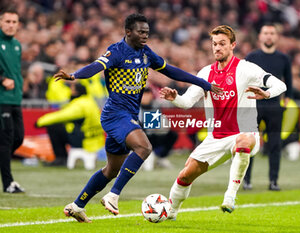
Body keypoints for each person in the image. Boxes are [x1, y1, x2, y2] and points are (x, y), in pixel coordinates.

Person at [54, 13, 222, 223]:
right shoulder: (116, 51)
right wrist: (74, 75)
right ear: (128, 32)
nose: (145, 36)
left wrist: (202, 83)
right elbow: (97, 66)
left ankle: (77, 206)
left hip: (128, 115)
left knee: (111, 170)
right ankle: (113, 196)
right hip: (115, 114)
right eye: (141, 32)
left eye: (147, 32)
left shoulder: (145, 53)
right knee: (144, 148)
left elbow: (170, 70)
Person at [159, 25, 286, 219]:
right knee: (185, 175)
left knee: (243, 141)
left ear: (233, 45)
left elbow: (280, 84)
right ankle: (171, 212)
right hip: (215, 138)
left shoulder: (245, 68)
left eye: (222, 44)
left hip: (244, 132)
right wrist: (174, 98)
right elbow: (186, 102)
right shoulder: (205, 74)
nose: (217, 48)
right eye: (214, 44)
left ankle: (230, 196)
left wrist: (267, 93)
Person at [243, 23, 293, 191]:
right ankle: (246, 180)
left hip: (274, 106)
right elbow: (244, 79)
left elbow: (289, 81)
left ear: (276, 36)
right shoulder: (251, 57)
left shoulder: (283, 58)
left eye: (272, 33)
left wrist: (287, 99)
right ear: (260, 36)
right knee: (248, 143)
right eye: (266, 33)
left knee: (275, 145)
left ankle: (273, 181)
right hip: (253, 105)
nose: (269, 36)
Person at [35, 82, 105, 167]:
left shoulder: (80, 104)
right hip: (94, 139)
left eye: (72, 89)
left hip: (86, 141)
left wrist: (40, 122)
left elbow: (62, 116)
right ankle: (62, 158)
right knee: (65, 126)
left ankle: (61, 158)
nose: (70, 91)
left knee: (54, 126)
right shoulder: (90, 101)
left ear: (77, 92)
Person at [0, 8, 25, 193]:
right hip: (2, 97)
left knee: (18, 137)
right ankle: (8, 183)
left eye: (14, 22)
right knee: (7, 139)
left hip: (15, 97)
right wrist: (2, 80)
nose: (10, 25)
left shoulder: (16, 45)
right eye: (7, 21)